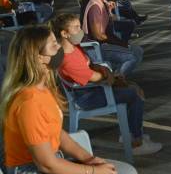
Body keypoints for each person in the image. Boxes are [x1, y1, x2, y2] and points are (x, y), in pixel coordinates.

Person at [0, 26, 143, 174]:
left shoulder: (40, 88)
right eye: (54, 45)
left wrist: (89, 159)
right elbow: (47, 164)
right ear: (38, 58)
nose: (59, 47)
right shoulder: (28, 102)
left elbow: (60, 134)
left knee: (129, 173)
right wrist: (92, 172)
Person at [54, 14, 162, 155]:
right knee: (134, 94)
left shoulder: (75, 47)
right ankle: (137, 142)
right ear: (64, 33)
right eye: (76, 28)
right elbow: (95, 77)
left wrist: (107, 73)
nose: (81, 31)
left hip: (94, 89)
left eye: (80, 26)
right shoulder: (67, 59)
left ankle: (130, 133)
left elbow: (92, 65)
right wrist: (110, 76)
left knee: (132, 88)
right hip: (88, 96)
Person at [80, 0, 143, 80]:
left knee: (138, 50)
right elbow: (98, 35)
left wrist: (109, 11)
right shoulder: (95, 7)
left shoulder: (101, 1)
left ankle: (118, 75)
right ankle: (117, 79)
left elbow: (109, 24)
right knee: (132, 57)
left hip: (104, 43)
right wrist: (119, 43)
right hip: (97, 48)